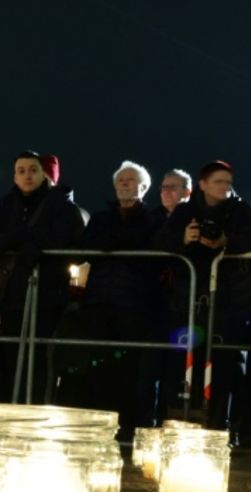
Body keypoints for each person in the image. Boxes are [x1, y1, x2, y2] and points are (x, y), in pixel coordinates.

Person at [156, 160, 251, 431]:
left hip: (228, 299)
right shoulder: (184, 211)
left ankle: (219, 426)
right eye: (218, 181)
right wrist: (184, 237)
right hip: (187, 298)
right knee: (179, 363)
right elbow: (160, 244)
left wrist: (225, 241)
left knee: (225, 366)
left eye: (228, 182)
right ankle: (178, 422)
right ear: (202, 184)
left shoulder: (240, 209)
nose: (225, 186)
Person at [0, 150, 84, 403]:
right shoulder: (5, 205)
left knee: (41, 356)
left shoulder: (62, 206)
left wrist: (30, 245)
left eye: (33, 170)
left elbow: (69, 240)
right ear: (14, 176)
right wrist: (27, 239)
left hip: (48, 293)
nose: (27, 175)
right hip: (12, 293)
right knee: (11, 355)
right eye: (21, 171)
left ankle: (39, 409)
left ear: (44, 174)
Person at [73, 160, 164, 430]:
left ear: (144, 187)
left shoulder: (154, 218)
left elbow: (148, 251)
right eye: (120, 180)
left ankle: (127, 430)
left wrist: (112, 243)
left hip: (135, 304)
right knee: (97, 370)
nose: (125, 184)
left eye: (131, 180)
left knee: (130, 373)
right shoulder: (101, 218)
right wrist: (119, 242)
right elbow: (86, 248)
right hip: (99, 302)